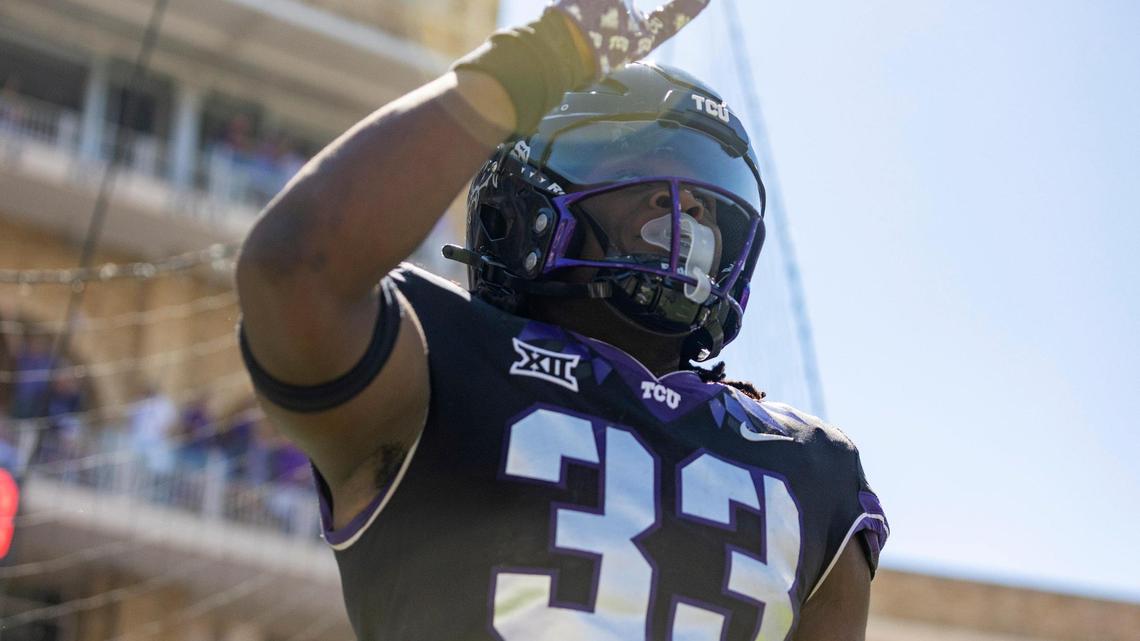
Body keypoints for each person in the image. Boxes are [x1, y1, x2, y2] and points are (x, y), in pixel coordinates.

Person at [235, 1, 888, 640]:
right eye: (635, 162)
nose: (686, 206)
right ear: (518, 210)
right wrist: (540, 60)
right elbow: (293, 268)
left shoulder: (815, 470)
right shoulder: (439, 361)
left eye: (705, 196)